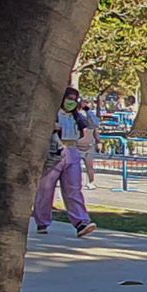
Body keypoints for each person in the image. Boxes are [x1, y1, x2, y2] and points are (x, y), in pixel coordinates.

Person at [32, 88, 98, 237]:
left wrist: (87, 108)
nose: (71, 102)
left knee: (73, 188)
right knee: (46, 189)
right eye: (69, 99)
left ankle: (81, 222)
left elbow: (94, 124)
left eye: (74, 100)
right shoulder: (52, 115)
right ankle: (42, 221)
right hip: (54, 152)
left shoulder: (77, 117)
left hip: (72, 151)